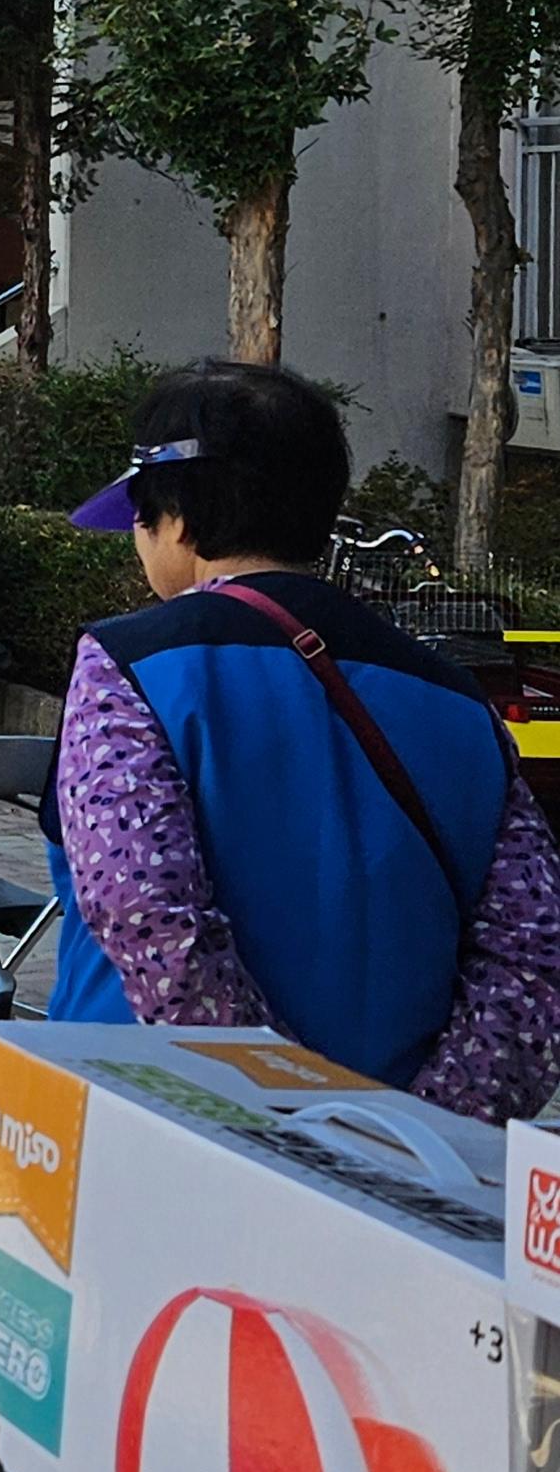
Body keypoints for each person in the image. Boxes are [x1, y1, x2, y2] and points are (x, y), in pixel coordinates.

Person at [51, 358, 560, 1114]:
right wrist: (417, 1125)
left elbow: (144, 910)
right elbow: (534, 955)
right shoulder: (460, 702)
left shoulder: (126, 666)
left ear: (177, 517)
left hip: (148, 1122)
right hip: (393, 1152)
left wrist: (275, 1106)